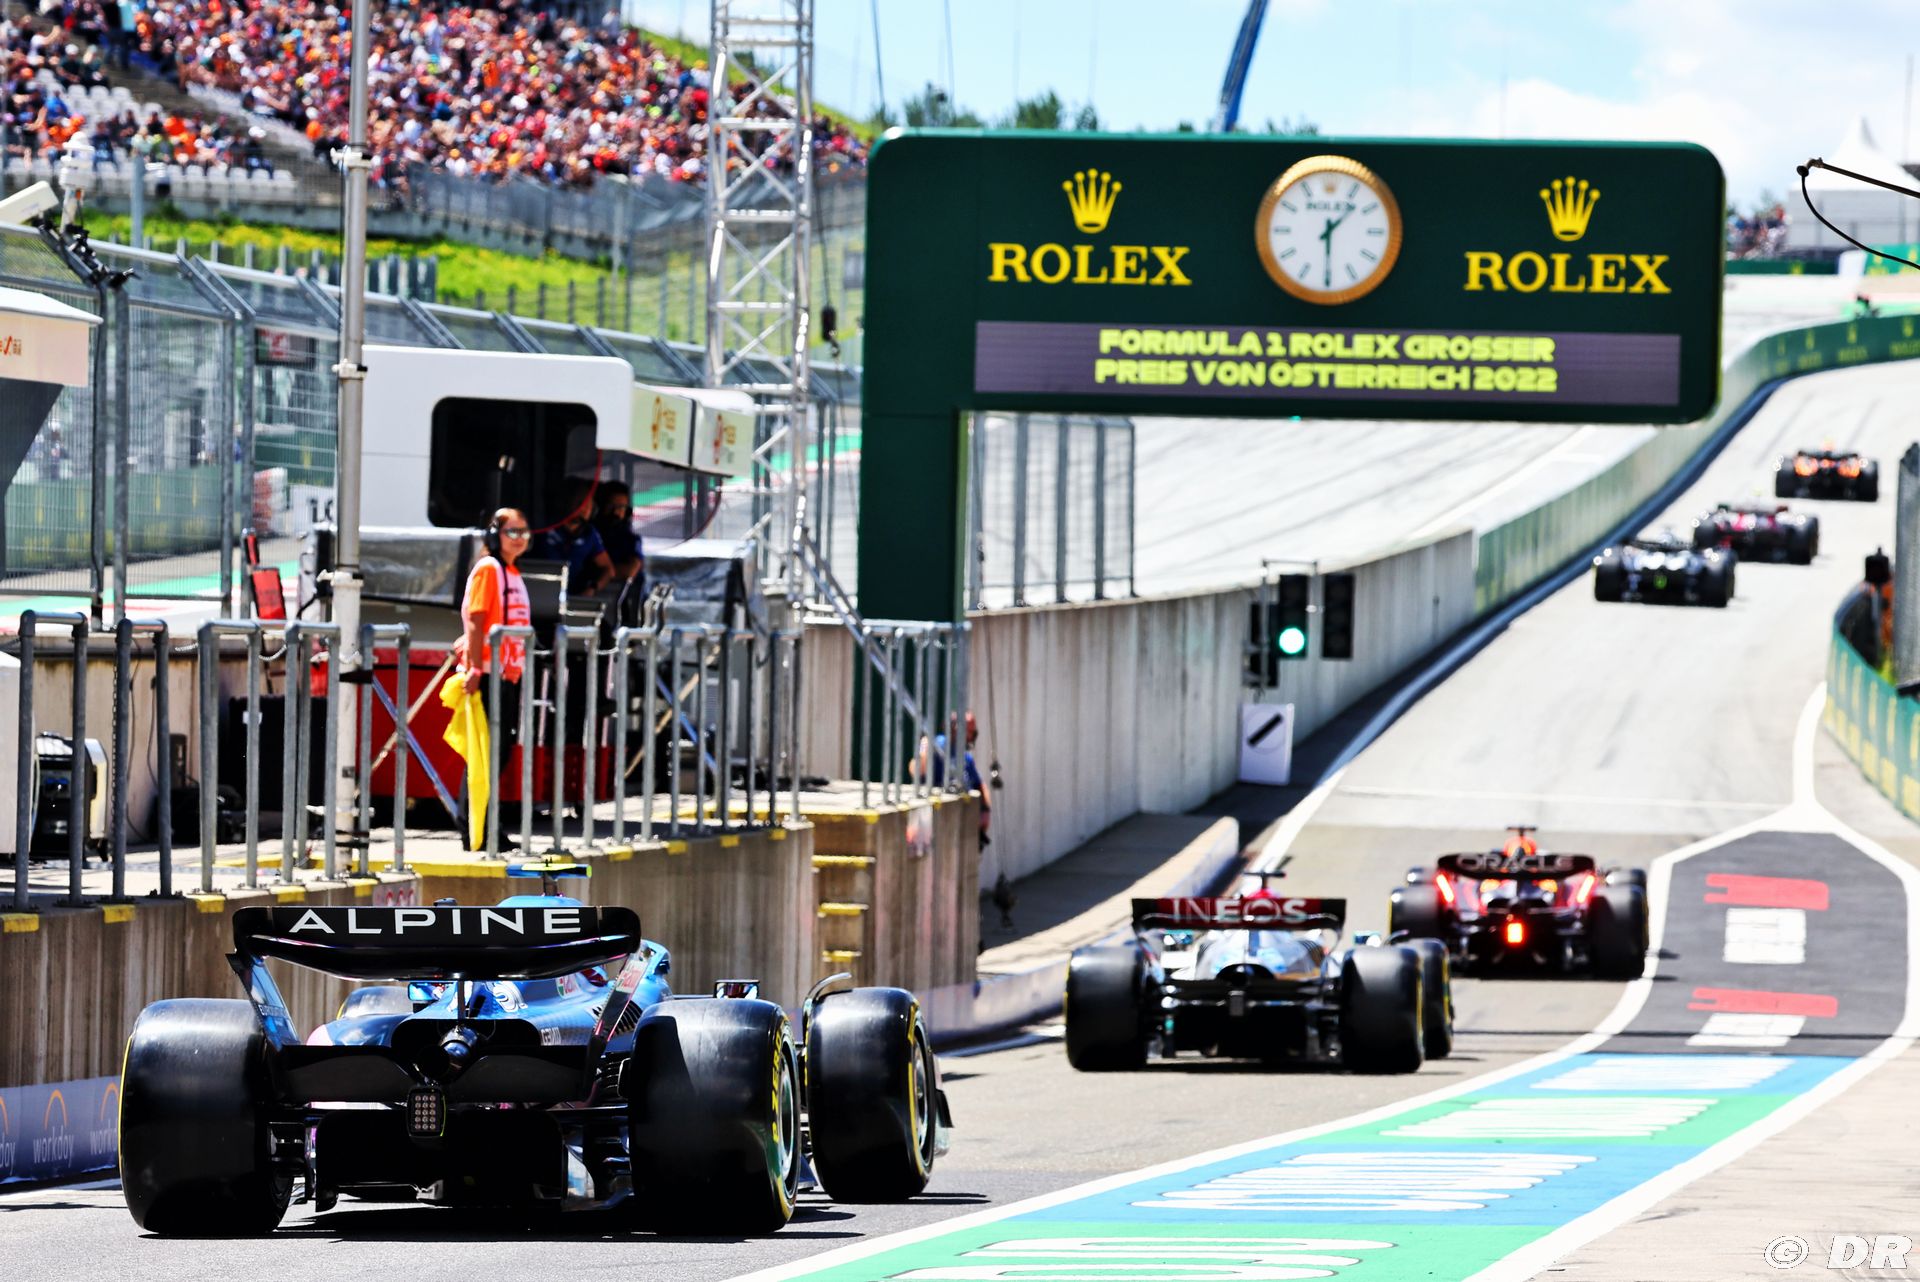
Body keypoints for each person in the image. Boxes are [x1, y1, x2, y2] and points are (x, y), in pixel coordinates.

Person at [453, 507, 533, 846]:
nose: (519, 538)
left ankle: (487, 828)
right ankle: (475, 831)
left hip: (506, 675)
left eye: (524, 532)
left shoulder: (511, 571)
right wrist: (474, 667)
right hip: (487, 673)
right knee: (485, 754)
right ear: (494, 535)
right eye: (511, 531)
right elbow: (476, 620)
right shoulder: (489, 568)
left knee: (499, 753)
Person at [536, 491, 614, 597]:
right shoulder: (545, 526)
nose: (584, 509)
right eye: (580, 503)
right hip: (542, 591)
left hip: (576, 596)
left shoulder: (590, 533)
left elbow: (608, 569)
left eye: (589, 506)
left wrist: (593, 588)